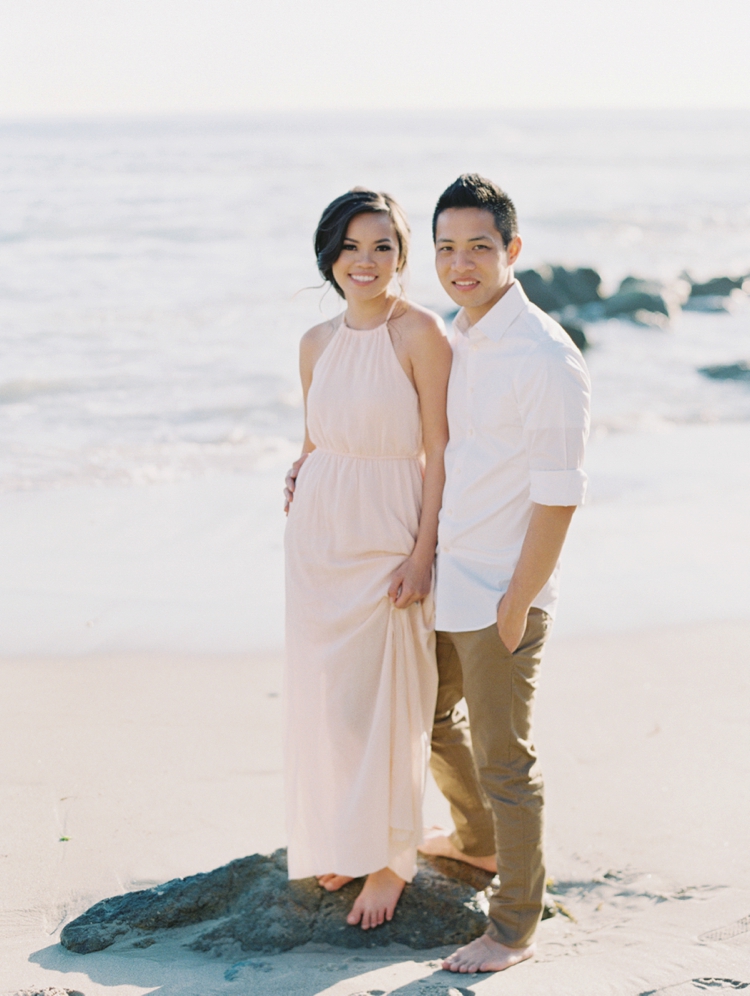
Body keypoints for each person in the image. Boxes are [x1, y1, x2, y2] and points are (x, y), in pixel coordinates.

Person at [419, 174, 591, 973]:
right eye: (447, 248)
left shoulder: (546, 356)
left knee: (505, 761)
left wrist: (520, 601)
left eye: (478, 247)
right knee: (426, 716)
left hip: (502, 594)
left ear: (511, 251)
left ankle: (514, 927)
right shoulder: (461, 335)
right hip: (451, 578)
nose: (462, 263)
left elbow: (560, 497)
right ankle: (480, 844)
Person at [283, 188, 452, 931]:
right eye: (351, 247)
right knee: (338, 699)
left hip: (390, 526)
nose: (365, 261)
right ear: (329, 254)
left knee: (396, 694)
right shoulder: (314, 342)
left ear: (402, 256)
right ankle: (350, 837)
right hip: (320, 535)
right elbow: (317, 435)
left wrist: (424, 551)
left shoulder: (420, 333)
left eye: (382, 246)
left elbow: (441, 452)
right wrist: (300, 468)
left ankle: (391, 856)